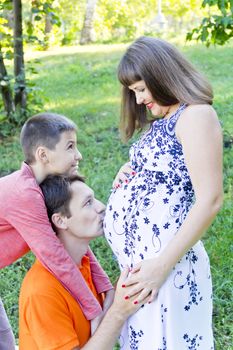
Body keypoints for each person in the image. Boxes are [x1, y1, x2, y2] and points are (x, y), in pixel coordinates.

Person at [104, 36, 223, 349]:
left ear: (161, 74)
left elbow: (210, 200)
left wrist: (161, 266)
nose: (140, 99)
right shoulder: (161, 123)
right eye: (134, 93)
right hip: (143, 275)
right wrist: (129, 174)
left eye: (142, 88)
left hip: (168, 268)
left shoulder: (195, 115)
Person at [0, 113, 113, 349]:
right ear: (43, 155)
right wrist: (94, 311)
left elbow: (66, 245)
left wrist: (105, 286)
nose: (78, 155)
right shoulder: (24, 193)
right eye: (70, 147)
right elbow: (55, 256)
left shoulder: (37, 186)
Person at [19, 175, 149, 349]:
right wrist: (119, 312)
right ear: (60, 220)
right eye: (88, 203)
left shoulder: (84, 263)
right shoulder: (42, 291)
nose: (102, 207)